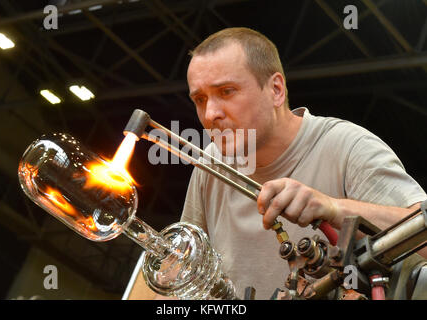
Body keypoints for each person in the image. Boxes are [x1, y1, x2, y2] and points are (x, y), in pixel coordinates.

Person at [178, 27, 427, 300]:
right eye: (200, 99)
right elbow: (182, 272)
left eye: (226, 91)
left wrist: (333, 207)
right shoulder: (211, 163)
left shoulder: (346, 146)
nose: (210, 113)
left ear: (276, 90)